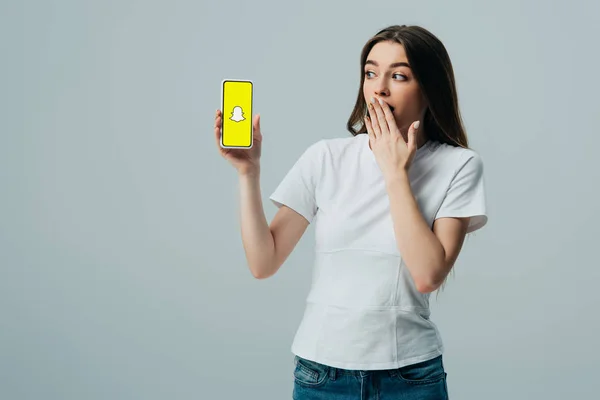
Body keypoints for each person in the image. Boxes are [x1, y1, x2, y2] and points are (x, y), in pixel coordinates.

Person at [214, 24, 487, 400]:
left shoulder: (459, 165)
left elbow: (427, 274)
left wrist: (395, 173)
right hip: (321, 376)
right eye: (371, 73)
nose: (380, 87)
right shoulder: (327, 157)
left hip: (410, 378)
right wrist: (249, 172)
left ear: (429, 88)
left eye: (399, 76)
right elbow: (264, 262)